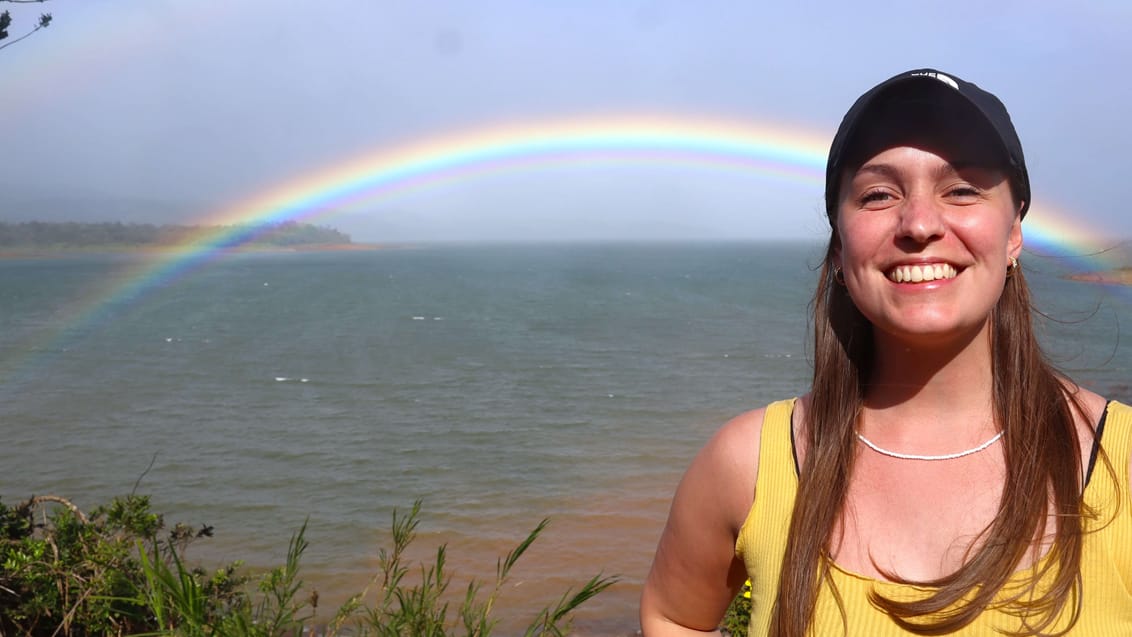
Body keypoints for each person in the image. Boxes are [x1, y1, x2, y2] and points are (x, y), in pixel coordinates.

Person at [639, 68, 1132, 636]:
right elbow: (673, 615)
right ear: (840, 248)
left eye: (963, 189)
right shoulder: (746, 466)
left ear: (1014, 230)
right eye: (877, 194)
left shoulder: (1118, 462)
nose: (919, 223)